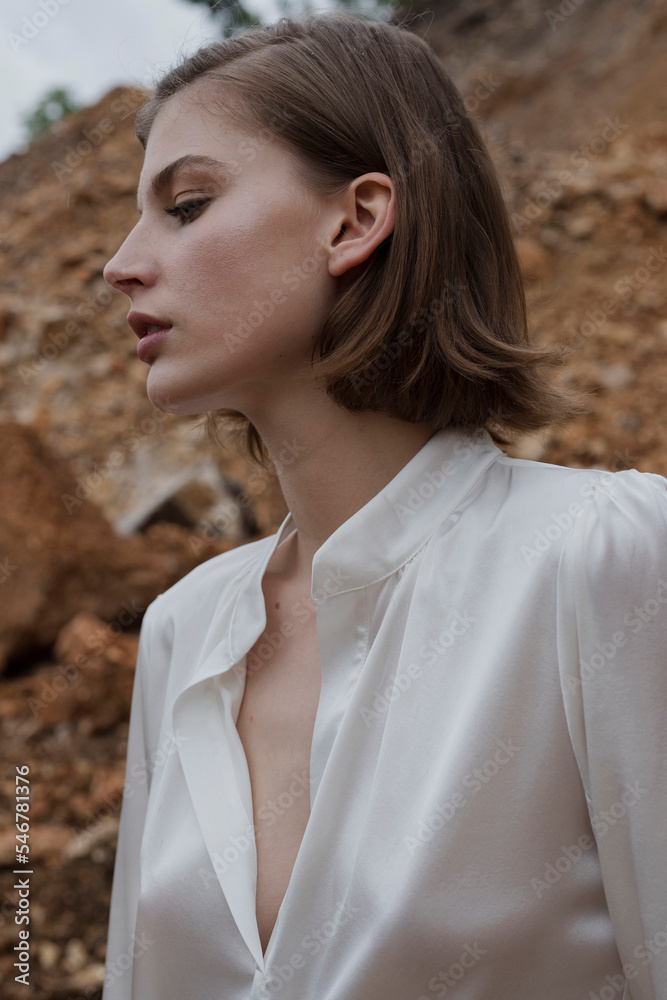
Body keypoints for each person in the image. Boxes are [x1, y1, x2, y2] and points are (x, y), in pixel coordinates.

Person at [101, 11, 667, 1000]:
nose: (120, 263)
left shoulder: (602, 557)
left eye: (186, 204)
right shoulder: (184, 632)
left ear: (356, 220)